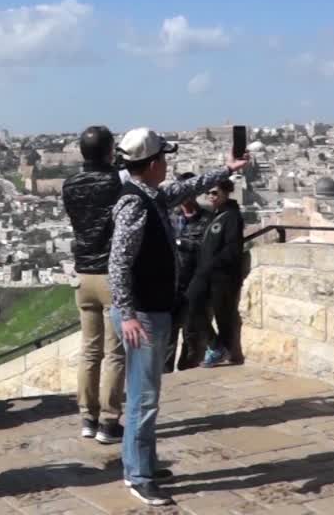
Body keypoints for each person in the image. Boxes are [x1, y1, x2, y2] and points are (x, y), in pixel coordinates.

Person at [109, 127, 247, 507]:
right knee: (142, 397)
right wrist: (129, 314)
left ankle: (145, 463)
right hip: (143, 315)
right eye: (164, 159)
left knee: (147, 394)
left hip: (150, 311)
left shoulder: (150, 195)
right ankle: (137, 474)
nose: (168, 165)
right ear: (153, 164)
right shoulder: (136, 204)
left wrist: (226, 170)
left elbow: (184, 190)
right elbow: (118, 262)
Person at [61, 125, 127, 443]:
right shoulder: (118, 181)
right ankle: (110, 422)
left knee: (89, 351)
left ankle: (87, 418)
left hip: (82, 274)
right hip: (110, 274)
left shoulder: (69, 184)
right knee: (114, 353)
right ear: (110, 151)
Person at [193, 178, 247, 368]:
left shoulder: (232, 216)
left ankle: (223, 350)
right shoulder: (215, 215)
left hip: (222, 276)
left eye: (215, 192)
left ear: (226, 193)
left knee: (223, 315)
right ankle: (216, 346)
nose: (211, 196)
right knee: (191, 305)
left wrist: (212, 264)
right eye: (208, 193)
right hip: (207, 273)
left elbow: (232, 249)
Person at [167, 174, 211, 372]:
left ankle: (186, 374)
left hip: (194, 285)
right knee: (167, 337)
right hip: (170, 286)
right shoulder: (170, 217)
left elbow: (207, 249)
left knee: (191, 336)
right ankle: (165, 378)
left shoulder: (207, 220)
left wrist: (181, 244)